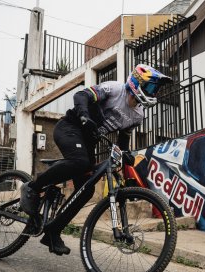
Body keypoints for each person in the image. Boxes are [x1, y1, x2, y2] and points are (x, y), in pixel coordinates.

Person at [20, 64, 172, 256]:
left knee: (86, 190)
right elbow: (81, 96)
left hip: (89, 141)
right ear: (136, 83)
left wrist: (125, 154)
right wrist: (84, 115)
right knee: (80, 162)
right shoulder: (115, 89)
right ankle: (33, 187)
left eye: (155, 89)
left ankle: (52, 231)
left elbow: (122, 140)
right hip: (71, 127)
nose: (153, 92)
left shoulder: (138, 115)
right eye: (151, 87)